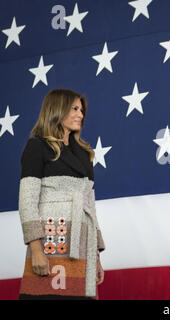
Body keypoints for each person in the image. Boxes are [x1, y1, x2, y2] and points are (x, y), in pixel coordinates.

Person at [18, 88, 105, 299]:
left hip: (82, 242)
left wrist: (95, 256)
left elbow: (90, 205)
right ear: (57, 109)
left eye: (82, 110)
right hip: (50, 240)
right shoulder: (37, 146)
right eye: (74, 108)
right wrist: (36, 248)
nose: (80, 115)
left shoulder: (85, 154)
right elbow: (27, 200)